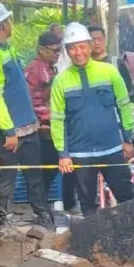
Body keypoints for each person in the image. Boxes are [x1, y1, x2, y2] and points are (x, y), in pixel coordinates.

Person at [0, 0, 52, 229]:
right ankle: (4, 219)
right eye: (8, 20)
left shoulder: (6, 48)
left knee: (34, 174)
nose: (11, 23)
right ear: (1, 25)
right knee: (9, 174)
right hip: (8, 131)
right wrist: (8, 131)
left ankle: (42, 214)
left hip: (27, 124)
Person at [51, 23, 134, 216]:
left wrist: (127, 139)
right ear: (67, 51)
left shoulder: (109, 71)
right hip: (80, 154)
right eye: (72, 48)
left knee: (127, 198)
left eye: (82, 46)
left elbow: (124, 106)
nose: (78, 52)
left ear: (90, 46)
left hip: (112, 149)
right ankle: (94, 236)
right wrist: (63, 154)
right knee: (88, 205)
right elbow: (57, 120)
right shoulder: (60, 81)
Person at [26, 29, 79, 213]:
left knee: (67, 165)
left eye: (59, 50)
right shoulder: (35, 70)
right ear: (41, 50)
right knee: (48, 170)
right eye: (54, 50)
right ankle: (41, 207)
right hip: (46, 128)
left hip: (58, 124)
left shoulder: (52, 68)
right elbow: (32, 101)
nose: (58, 54)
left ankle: (67, 202)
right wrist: (44, 121)